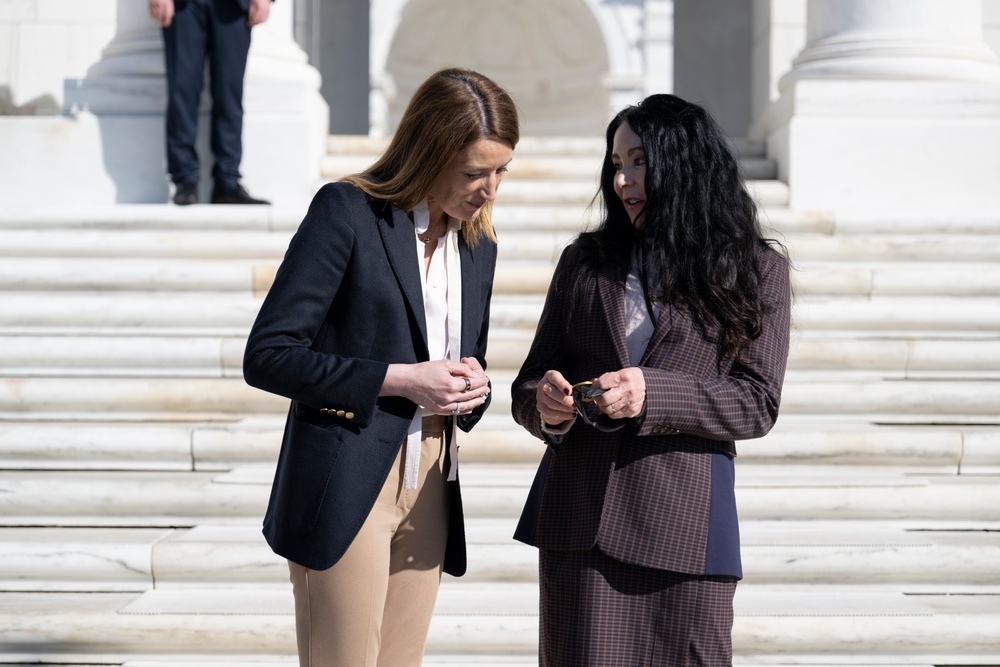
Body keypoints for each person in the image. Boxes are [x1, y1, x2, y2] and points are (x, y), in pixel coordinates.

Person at [243, 68, 519, 666]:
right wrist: (397, 378)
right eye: (475, 172)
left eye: (501, 171)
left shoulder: (479, 245)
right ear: (429, 152)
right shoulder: (346, 211)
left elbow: (470, 359)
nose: (490, 189)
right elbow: (268, 355)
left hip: (433, 480)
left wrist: (476, 386)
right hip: (348, 474)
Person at [511, 94, 791, 666]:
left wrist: (651, 392)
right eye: (616, 163)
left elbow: (757, 402)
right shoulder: (584, 261)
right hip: (580, 522)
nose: (622, 179)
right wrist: (546, 404)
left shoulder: (757, 268)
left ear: (685, 162)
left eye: (638, 161)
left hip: (685, 526)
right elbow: (530, 381)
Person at [148, 0, 271, 205]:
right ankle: (184, 180)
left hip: (233, 7)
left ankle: (227, 182)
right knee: (182, 90)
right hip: (183, 6)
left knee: (229, 92)